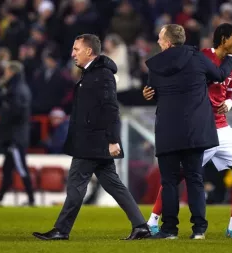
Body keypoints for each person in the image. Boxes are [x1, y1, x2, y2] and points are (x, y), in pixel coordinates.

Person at [144, 23, 232, 239]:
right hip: (201, 126)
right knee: (179, 175)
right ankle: (152, 221)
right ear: (224, 38)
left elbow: (229, 94)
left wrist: (229, 104)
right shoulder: (201, 56)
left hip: (221, 126)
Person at [32, 34, 150, 240]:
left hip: (92, 142)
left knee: (76, 185)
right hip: (94, 140)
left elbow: (111, 109)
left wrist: (113, 140)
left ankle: (61, 230)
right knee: (114, 185)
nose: (72, 54)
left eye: (76, 49)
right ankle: (141, 226)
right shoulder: (92, 73)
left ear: (89, 51)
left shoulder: (101, 75)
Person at [0, 61, 35, 207]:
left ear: (12, 72)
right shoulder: (17, 88)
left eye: (7, 71)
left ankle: (31, 199)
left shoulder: (17, 90)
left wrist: (5, 114)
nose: (5, 74)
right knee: (7, 169)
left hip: (15, 137)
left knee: (20, 167)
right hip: (15, 135)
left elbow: (17, 112)